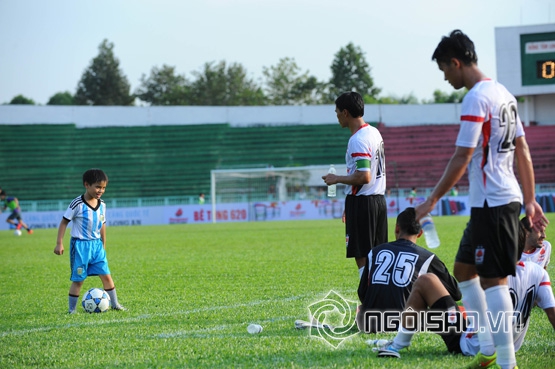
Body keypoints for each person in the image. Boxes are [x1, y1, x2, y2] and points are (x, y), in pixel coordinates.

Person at [415, 30, 548, 369]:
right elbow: (523, 150)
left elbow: (462, 156)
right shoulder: (504, 94)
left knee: (493, 280)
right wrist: (530, 200)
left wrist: (431, 201)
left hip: (494, 201)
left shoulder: (476, 98)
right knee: (463, 269)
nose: (445, 77)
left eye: (445, 69)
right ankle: (487, 344)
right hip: (491, 203)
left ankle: (505, 361)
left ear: (456, 63)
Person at [373, 220, 555, 368]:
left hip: (471, 344)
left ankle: (397, 344)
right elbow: (552, 314)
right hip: (509, 346)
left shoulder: (489, 273)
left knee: (425, 282)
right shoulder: (538, 272)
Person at [357, 207, 460, 333]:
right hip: (405, 323)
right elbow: (455, 293)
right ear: (420, 233)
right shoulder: (427, 257)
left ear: (397, 228)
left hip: (369, 323)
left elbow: (362, 292)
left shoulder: (375, 252)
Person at [322, 91, 388, 277]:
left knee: (362, 257)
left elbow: (364, 176)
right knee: (378, 258)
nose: (337, 118)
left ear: (345, 113)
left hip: (363, 204)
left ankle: (369, 302)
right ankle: (380, 301)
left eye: (336, 113)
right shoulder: (374, 132)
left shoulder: (358, 140)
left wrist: (337, 179)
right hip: (377, 201)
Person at [54, 169, 126, 313]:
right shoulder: (77, 204)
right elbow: (64, 222)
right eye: (98, 187)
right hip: (80, 246)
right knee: (79, 279)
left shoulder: (102, 204)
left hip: (97, 245)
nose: (101, 190)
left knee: (106, 275)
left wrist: (103, 243)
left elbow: (102, 224)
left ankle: (115, 304)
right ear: (86, 185)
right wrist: (59, 243)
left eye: (104, 187)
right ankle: (71, 310)